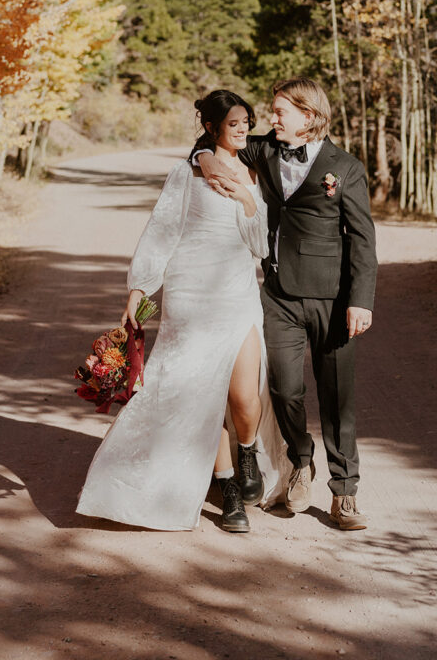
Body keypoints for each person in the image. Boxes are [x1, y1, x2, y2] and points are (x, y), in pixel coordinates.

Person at [77, 90, 287, 533]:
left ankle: (247, 450)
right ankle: (228, 486)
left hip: (236, 291)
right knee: (200, 394)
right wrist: (140, 287)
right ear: (210, 128)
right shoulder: (186, 174)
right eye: (234, 124)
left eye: (247, 121)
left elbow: (260, 245)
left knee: (244, 395)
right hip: (191, 295)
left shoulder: (252, 173)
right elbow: (162, 230)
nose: (244, 129)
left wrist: (249, 204)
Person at [193, 77, 377, 530]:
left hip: (333, 300)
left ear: (309, 117)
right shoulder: (266, 151)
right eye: (272, 112)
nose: (270, 118)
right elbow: (211, 137)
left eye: (280, 112)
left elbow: (363, 240)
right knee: (283, 389)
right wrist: (202, 158)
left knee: (337, 399)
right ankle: (301, 461)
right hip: (278, 296)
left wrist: (361, 301)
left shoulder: (345, 167)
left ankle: (345, 492)